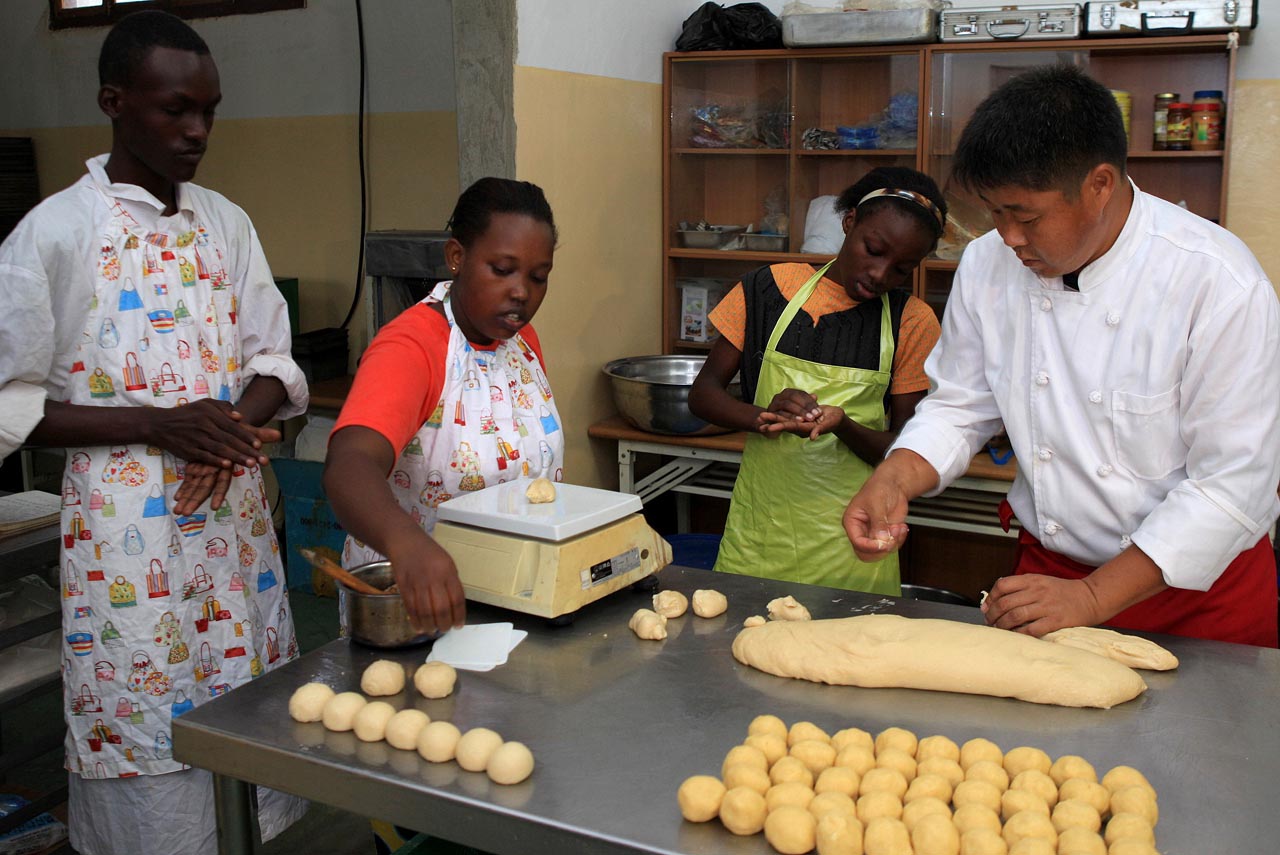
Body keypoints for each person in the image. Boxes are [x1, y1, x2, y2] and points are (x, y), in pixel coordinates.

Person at [0, 11, 310, 854]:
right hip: (124, 538)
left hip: (232, 524)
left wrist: (230, 430)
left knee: (243, 708)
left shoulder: (222, 222)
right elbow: (10, 403)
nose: (198, 131)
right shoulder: (55, 235)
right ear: (114, 101)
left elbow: (276, 360)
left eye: (209, 109)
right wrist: (157, 425)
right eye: (176, 109)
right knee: (145, 718)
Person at [842, 65, 1280, 647]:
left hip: (1197, 597)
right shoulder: (987, 265)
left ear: (1099, 185)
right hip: (1050, 582)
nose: (1008, 238)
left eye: (1025, 217)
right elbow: (962, 407)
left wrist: (1096, 596)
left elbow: (1233, 484)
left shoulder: (1215, 281)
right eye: (994, 213)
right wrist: (896, 476)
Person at [688, 167, 946, 595]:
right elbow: (703, 394)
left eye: (902, 268)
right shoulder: (765, 289)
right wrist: (764, 416)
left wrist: (842, 424)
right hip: (760, 537)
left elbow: (903, 448)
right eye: (873, 249)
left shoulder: (911, 321)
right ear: (849, 224)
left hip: (853, 545)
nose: (881, 274)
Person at [324, 177, 563, 634]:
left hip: (508, 600)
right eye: (502, 270)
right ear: (457, 258)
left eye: (538, 277)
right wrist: (408, 544)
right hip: (412, 606)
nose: (521, 292)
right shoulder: (411, 347)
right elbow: (348, 464)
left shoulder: (521, 343)